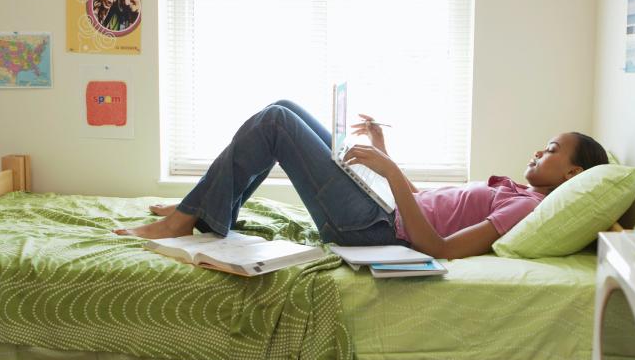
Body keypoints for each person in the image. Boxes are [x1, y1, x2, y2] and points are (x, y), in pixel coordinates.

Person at [117, 101, 609, 259]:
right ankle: (206, 210)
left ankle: (190, 218)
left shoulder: (528, 206)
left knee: (274, 123)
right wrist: (385, 154)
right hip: (383, 211)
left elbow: (439, 247)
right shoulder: (517, 191)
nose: (538, 152)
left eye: (551, 149)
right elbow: (429, 203)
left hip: (373, 230)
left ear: (573, 174)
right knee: (286, 108)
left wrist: (387, 172)